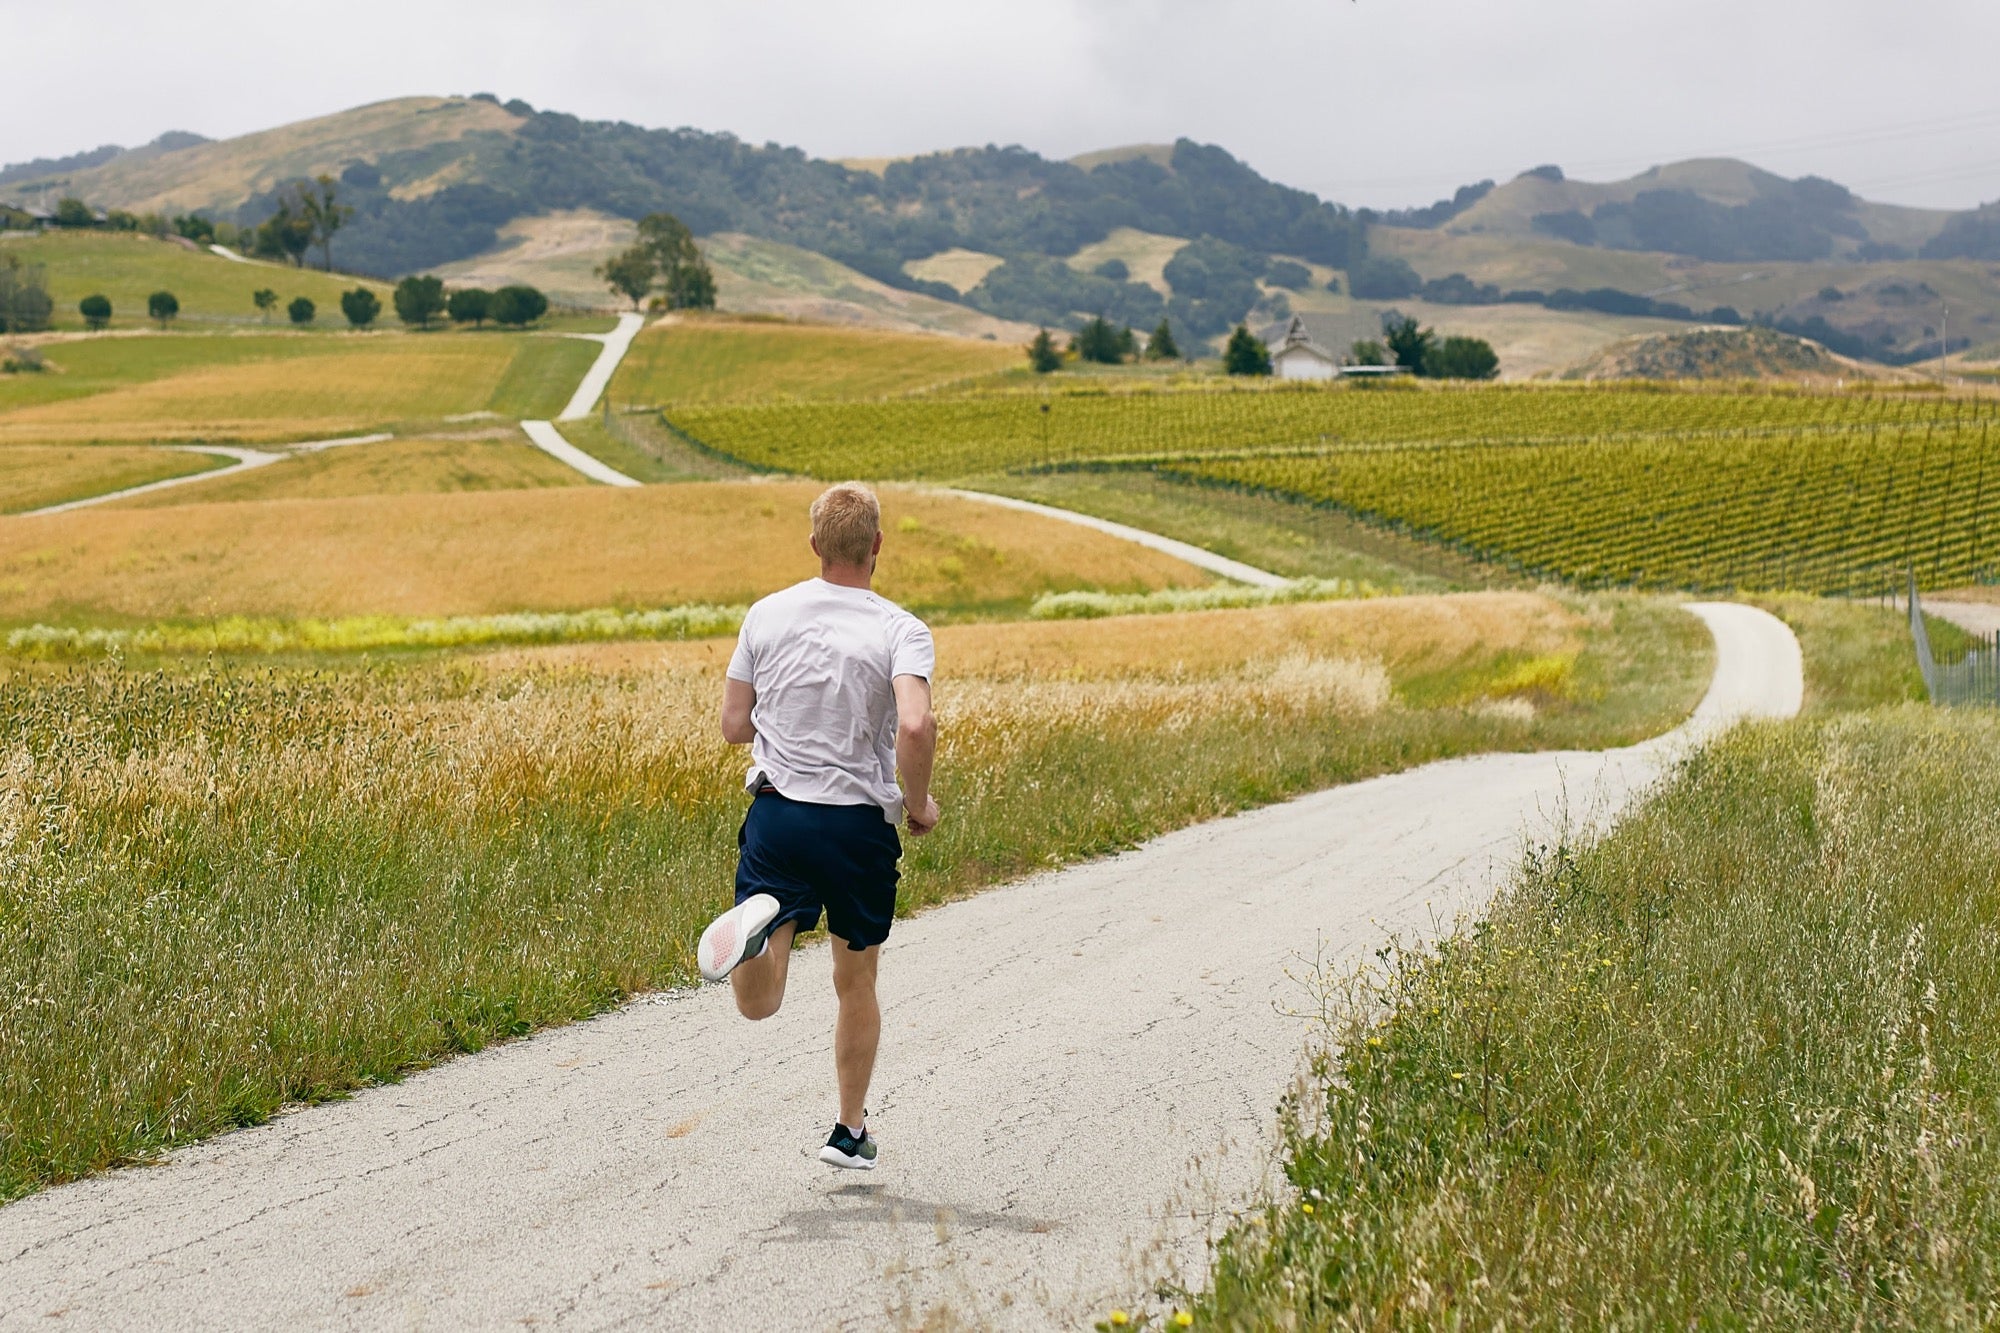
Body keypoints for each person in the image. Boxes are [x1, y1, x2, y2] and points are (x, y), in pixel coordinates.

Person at [696, 480, 940, 1171]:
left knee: (761, 1002)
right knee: (854, 980)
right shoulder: (899, 628)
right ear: (877, 545)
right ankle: (848, 1131)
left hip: (778, 816)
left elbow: (733, 725)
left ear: (814, 545)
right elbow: (915, 724)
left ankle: (754, 933)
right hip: (857, 829)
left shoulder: (766, 614)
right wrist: (919, 802)